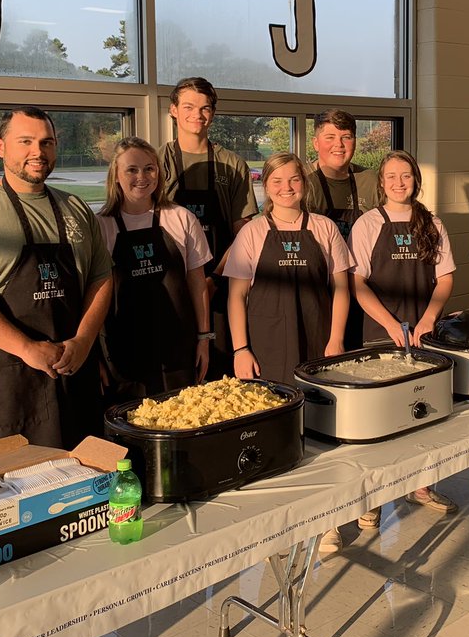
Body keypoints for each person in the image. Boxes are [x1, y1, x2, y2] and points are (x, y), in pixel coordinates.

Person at [0, 106, 113, 450]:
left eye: (47, 142)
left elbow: (101, 278)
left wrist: (84, 341)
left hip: (70, 371)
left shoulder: (76, 208)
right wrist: (26, 348)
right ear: (0, 146)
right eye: (25, 141)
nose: (37, 152)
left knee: (76, 485)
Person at [223, 152, 353, 556]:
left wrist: (335, 342)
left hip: (317, 342)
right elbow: (237, 295)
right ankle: (279, 523)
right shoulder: (252, 232)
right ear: (266, 186)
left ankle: (328, 520)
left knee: (320, 433)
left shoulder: (325, 227)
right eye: (276, 181)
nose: (286, 188)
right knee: (273, 434)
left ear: (305, 183)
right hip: (267, 344)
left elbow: (342, 289)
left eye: (293, 179)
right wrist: (240, 349)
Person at [350, 150, 458, 521]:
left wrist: (428, 317)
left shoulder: (433, 224)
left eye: (406, 176)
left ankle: (420, 485)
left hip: (424, 332)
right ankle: (373, 499)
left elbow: (445, 279)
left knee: (423, 412)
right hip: (381, 334)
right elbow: (358, 283)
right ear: (381, 183)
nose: (399, 182)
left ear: (416, 180)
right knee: (380, 419)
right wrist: (390, 324)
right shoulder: (367, 224)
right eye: (392, 176)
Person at [97, 136, 213, 398]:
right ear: (116, 175)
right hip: (123, 353)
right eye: (132, 170)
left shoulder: (181, 218)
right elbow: (91, 296)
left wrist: (204, 338)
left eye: (150, 168)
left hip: (177, 346)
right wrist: (95, 357)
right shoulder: (101, 226)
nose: (142, 176)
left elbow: (197, 282)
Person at [161, 77, 259, 376]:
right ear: (173, 110)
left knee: (222, 375)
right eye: (188, 106)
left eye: (205, 108)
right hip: (171, 286)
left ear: (213, 114)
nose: (197, 115)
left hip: (222, 285)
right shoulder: (157, 161)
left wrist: (213, 279)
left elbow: (244, 231)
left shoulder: (232, 163)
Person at [304, 108, 380, 349]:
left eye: (346, 137)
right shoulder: (301, 181)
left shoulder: (370, 180)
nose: (339, 144)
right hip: (317, 293)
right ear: (316, 143)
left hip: (363, 291)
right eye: (330, 138)